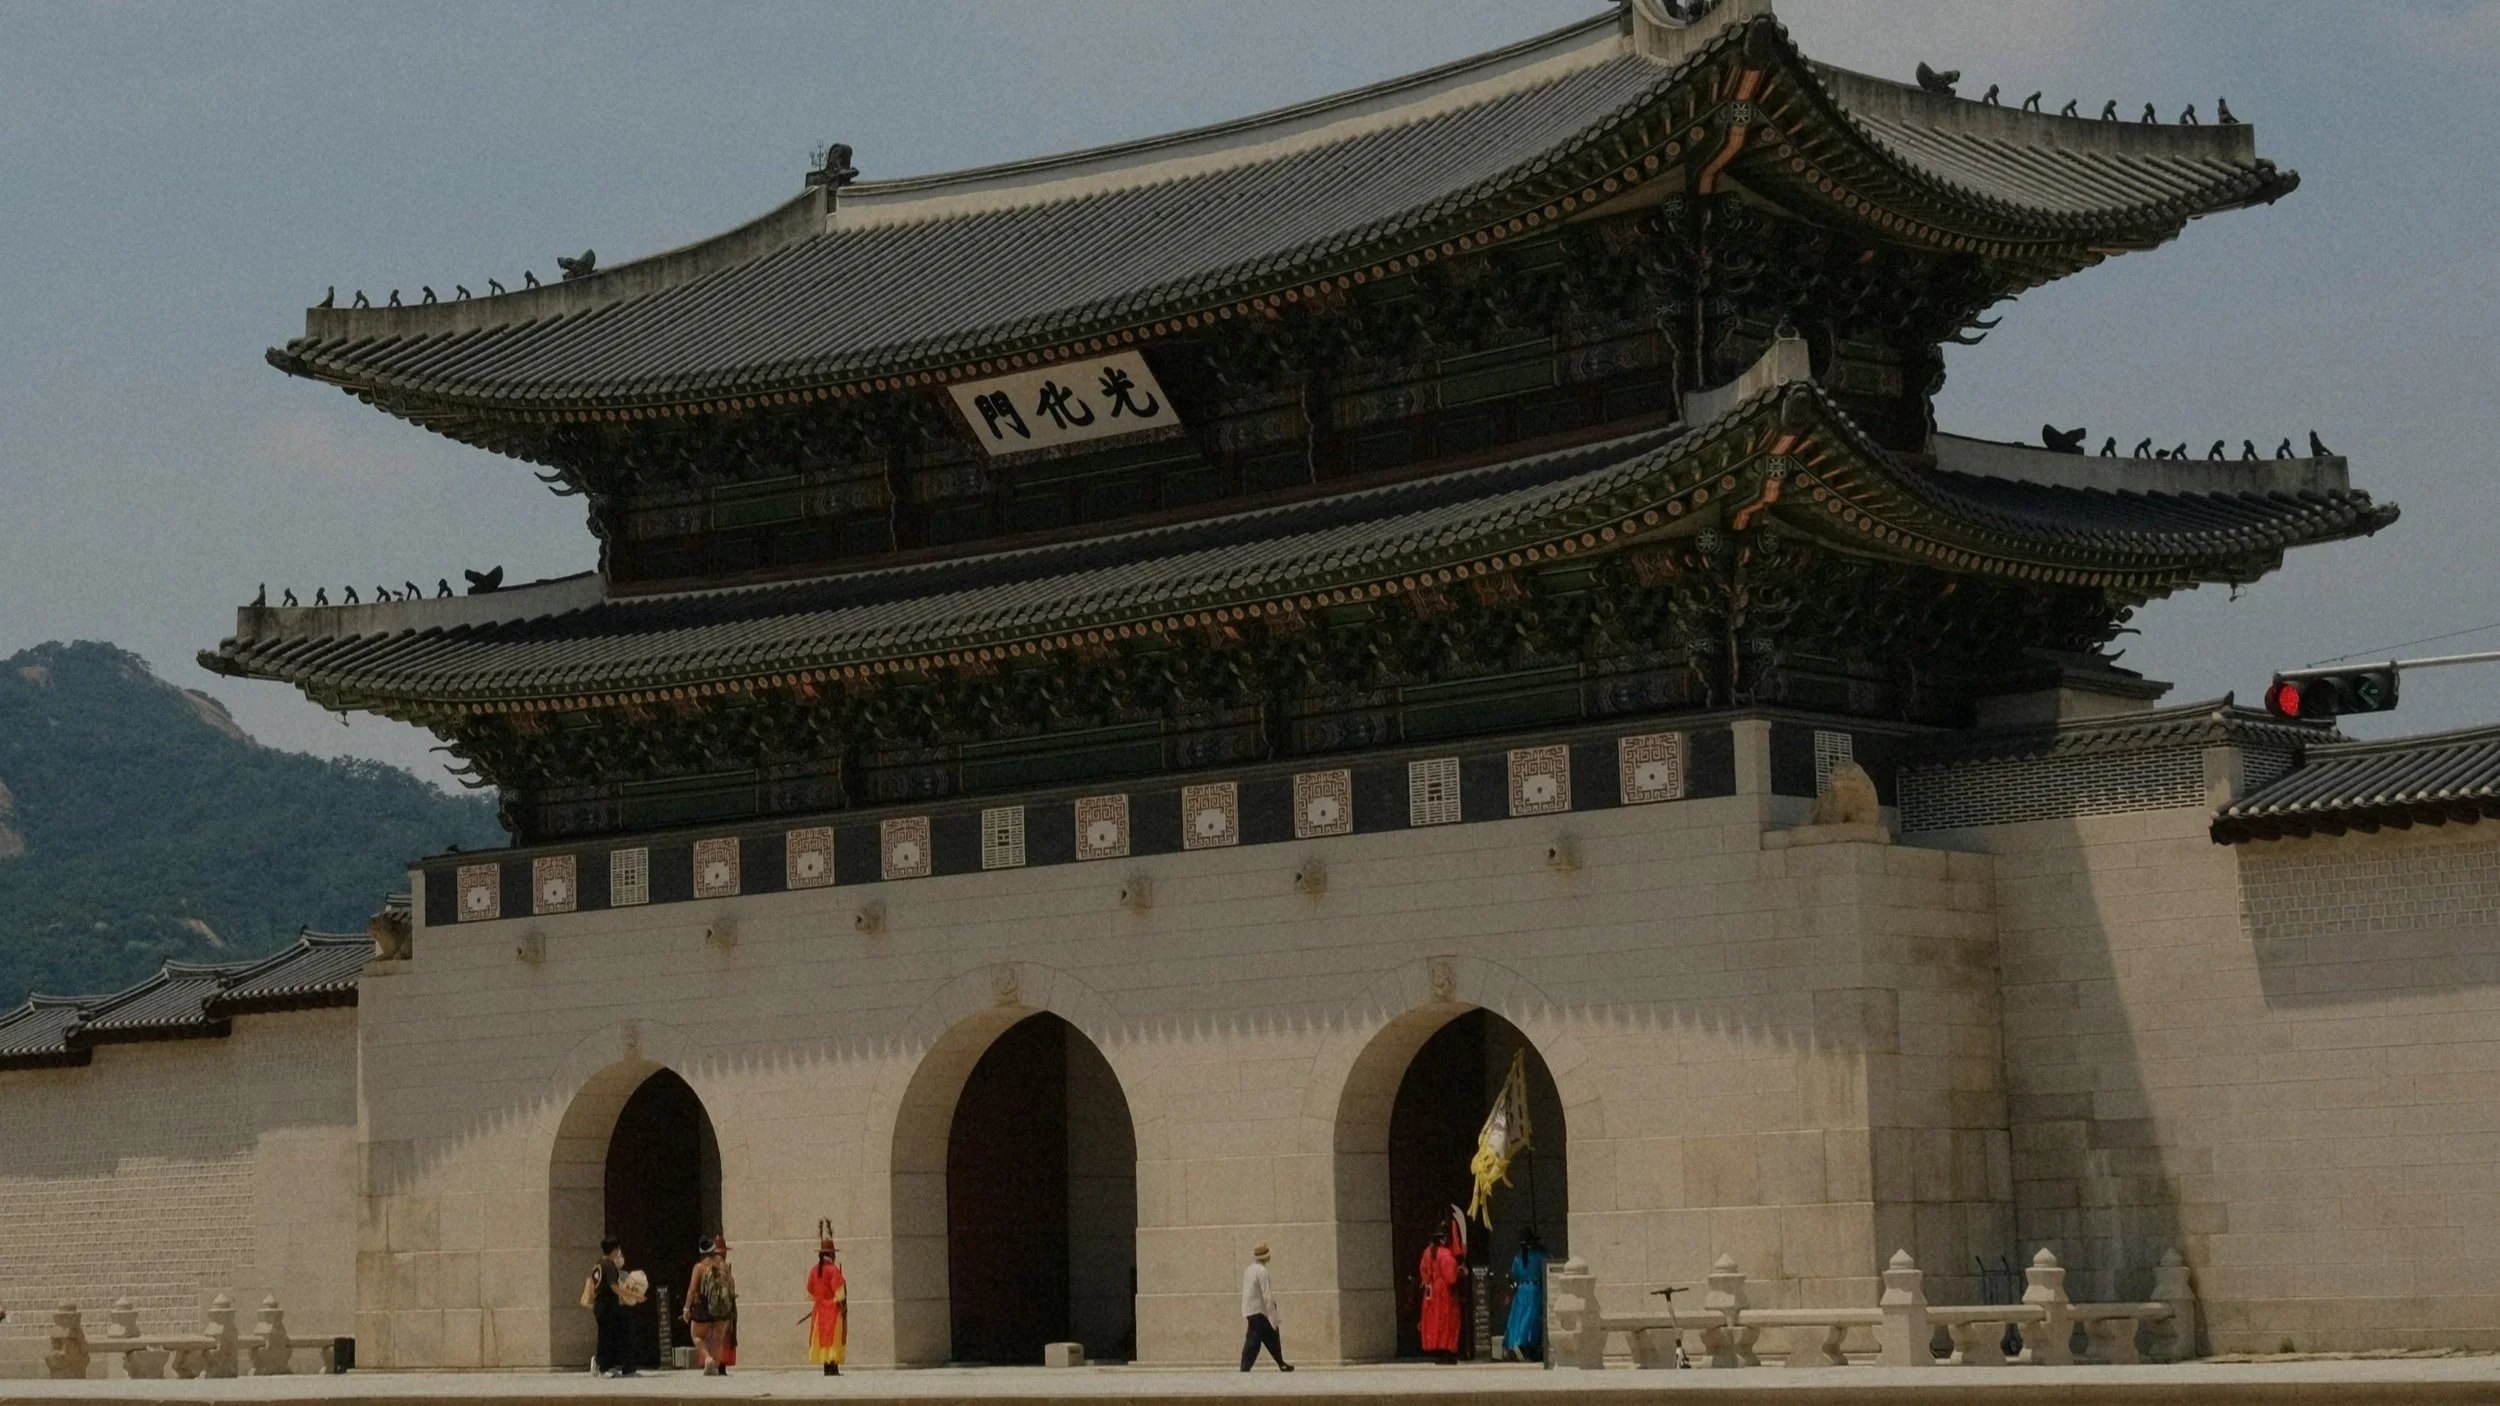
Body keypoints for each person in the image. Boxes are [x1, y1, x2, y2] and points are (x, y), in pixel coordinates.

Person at [683, 1235, 738, 1375]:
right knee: (718, 1339)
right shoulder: (724, 1266)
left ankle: (708, 1360)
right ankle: (716, 1365)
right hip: (722, 1308)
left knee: (696, 1335)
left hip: (703, 1308)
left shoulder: (700, 1267)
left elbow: (692, 1289)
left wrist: (687, 1308)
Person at [588, 1236, 639, 1377]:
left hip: (600, 1305)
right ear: (615, 1250)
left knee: (605, 1336)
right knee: (606, 1337)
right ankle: (603, 1367)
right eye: (618, 1249)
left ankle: (600, 1363)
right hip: (607, 1306)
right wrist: (633, 1295)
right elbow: (615, 1287)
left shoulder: (598, 1263)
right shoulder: (609, 1266)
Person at [1238, 1242, 1293, 1372]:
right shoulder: (1262, 1272)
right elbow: (1266, 1295)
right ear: (1267, 1257)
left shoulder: (1249, 1269)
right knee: (1254, 1341)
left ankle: (1281, 1363)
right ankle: (1245, 1367)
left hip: (1249, 1309)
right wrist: (1273, 1316)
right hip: (1259, 1310)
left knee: (1269, 1337)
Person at [806, 1223, 847, 1376]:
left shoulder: (814, 1270)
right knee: (833, 1338)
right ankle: (833, 1368)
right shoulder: (833, 1270)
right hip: (832, 1311)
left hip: (819, 1312)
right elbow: (840, 1293)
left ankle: (826, 1367)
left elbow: (810, 1293)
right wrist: (840, 1304)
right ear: (832, 1255)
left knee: (822, 1339)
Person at [1418, 1222, 1462, 1363]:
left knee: (1433, 1320)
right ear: (1443, 1239)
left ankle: (1436, 1348)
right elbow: (1451, 1278)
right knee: (1448, 1320)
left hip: (1431, 1289)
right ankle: (1448, 1348)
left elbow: (1423, 1271)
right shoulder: (1446, 1254)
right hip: (1444, 1291)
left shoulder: (1427, 1252)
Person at [1506, 1226, 1550, 1362]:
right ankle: (1524, 1344)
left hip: (1521, 1290)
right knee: (1531, 1319)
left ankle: (1513, 1343)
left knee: (1517, 1318)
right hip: (1534, 1290)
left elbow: (1513, 1275)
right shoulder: (1541, 1256)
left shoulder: (1518, 1258)